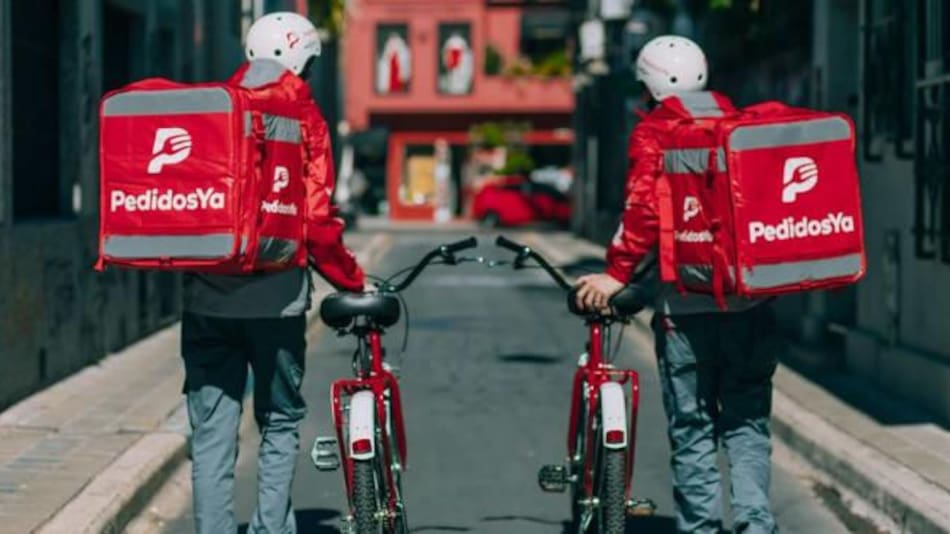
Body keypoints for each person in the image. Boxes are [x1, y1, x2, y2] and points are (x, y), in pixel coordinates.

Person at [575, 35, 780, 534]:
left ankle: (701, 528)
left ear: (649, 86)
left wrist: (617, 272)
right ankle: (756, 526)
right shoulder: (741, 124)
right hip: (751, 304)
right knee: (748, 424)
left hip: (686, 313)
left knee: (693, 430)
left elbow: (643, 210)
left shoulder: (655, 131)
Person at [180, 12, 365, 534]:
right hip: (277, 302)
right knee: (279, 421)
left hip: (206, 299)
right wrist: (352, 281)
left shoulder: (214, 105)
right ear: (299, 59)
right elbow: (317, 222)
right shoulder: (304, 115)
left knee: (211, 432)